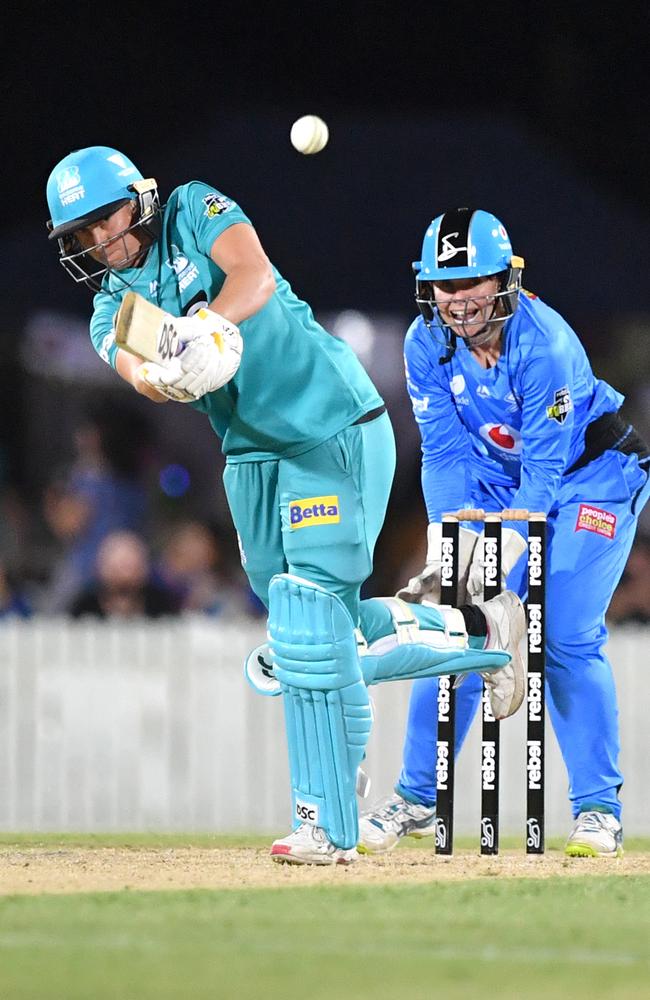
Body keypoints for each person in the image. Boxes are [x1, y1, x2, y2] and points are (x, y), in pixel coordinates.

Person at [46, 148, 527, 865]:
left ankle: (322, 818)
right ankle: (478, 629)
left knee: (308, 621)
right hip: (251, 455)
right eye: (81, 235)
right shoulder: (114, 307)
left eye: (106, 219)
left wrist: (209, 327)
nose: (101, 242)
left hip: (329, 427)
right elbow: (141, 376)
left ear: (138, 201)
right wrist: (171, 374)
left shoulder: (192, 209)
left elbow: (253, 274)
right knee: (317, 627)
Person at [358, 207, 650, 858]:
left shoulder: (544, 344)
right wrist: (452, 551)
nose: (458, 301)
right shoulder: (422, 342)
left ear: (505, 280)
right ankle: (414, 795)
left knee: (567, 634)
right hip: (496, 477)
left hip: (589, 477)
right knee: (452, 634)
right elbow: (443, 454)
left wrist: (502, 553)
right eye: (445, 286)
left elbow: (545, 473)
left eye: (473, 284)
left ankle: (599, 812)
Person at [69, 529, 180, 619]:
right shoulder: (84, 607)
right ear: (101, 569)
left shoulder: (161, 605)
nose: (124, 577)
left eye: (131, 568)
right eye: (117, 568)